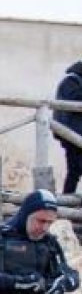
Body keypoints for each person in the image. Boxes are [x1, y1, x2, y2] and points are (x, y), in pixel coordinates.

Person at [53, 61, 82, 194]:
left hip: (75, 133)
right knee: (74, 171)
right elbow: (74, 100)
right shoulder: (71, 82)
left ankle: (68, 199)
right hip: (71, 133)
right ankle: (67, 200)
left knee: (74, 171)